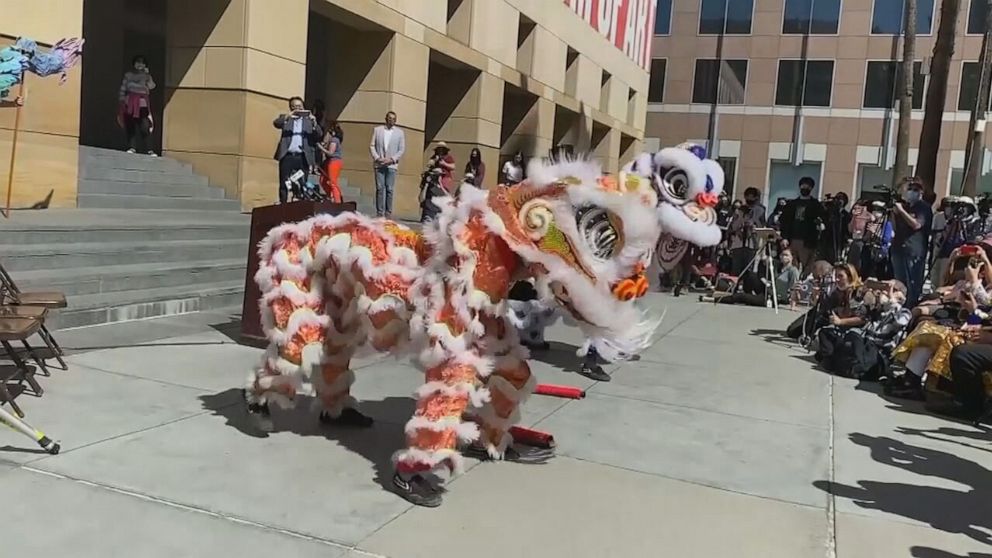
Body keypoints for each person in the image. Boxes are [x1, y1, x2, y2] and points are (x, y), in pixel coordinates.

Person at [889, 177, 933, 307]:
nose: (912, 192)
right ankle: (898, 308)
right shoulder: (905, 206)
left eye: (915, 189)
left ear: (921, 192)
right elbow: (895, 226)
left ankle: (910, 309)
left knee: (912, 284)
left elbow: (916, 225)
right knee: (899, 283)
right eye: (910, 189)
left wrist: (901, 211)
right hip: (898, 248)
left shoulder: (923, 207)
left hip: (914, 251)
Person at [273, 96, 322, 204]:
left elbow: (319, 135)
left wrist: (314, 123)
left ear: (303, 107)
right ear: (290, 108)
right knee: (284, 181)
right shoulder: (286, 118)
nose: (297, 109)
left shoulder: (308, 120)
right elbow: (276, 123)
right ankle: (283, 203)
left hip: (302, 156)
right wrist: (288, 116)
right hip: (288, 155)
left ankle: (299, 201)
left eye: (299, 106)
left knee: (301, 181)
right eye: (294, 107)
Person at [715, 248, 800, 307]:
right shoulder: (778, 266)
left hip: (775, 298)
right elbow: (764, 258)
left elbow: (794, 288)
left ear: (792, 257)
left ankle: (717, 299)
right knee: (750, 275)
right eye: (782, 255)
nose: (783, 257)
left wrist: (792, 304)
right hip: (767, 289)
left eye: (786, 255)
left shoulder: (793, 271)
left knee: (741, 297)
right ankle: (749, 294)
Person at [779, 177, 824, 273]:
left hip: (808, 240)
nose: (805, 188)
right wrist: (785, 237)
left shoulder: (816, 205)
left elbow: (822, 220)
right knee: (792, 265)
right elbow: (784, 221)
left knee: (806, 266)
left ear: (811, 188)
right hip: (793, 238)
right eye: (803, 186)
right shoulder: (791, 204)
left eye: (807, 186)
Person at [369, 111, 406, 217]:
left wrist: (392, 159)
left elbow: (401, 149)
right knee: (380, 188)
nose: (391, 120)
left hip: (391, 165)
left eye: (394, 119)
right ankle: (379, 212)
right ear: (386, 119)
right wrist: (377, 158)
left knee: (389, 189)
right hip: (379, 164)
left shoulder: (400, 133)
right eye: (390, 118)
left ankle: (388, 212)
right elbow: (372, 145)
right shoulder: (377, 130)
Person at [118, 55, 156, 156]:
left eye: (142, 63)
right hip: (129, 102)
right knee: (130, 126)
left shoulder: (147, 76)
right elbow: (123, 87)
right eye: (138, 62)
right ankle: (132, 147)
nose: (140, 64)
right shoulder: (128, 75)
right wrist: (121, 101)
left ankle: (149, 149)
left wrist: (148, 76)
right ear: (134, 64)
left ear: (145, 65)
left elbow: (152, 86)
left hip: (142, 104)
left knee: (145, 127)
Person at [318, 121, 344, 203]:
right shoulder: (332, 140)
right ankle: (330, 196)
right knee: (323, 180)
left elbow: (330, 153)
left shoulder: (334, 140)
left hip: (334, 162)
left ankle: (337, 201)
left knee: (333, 182)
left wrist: (320, 148)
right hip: (329, 162)